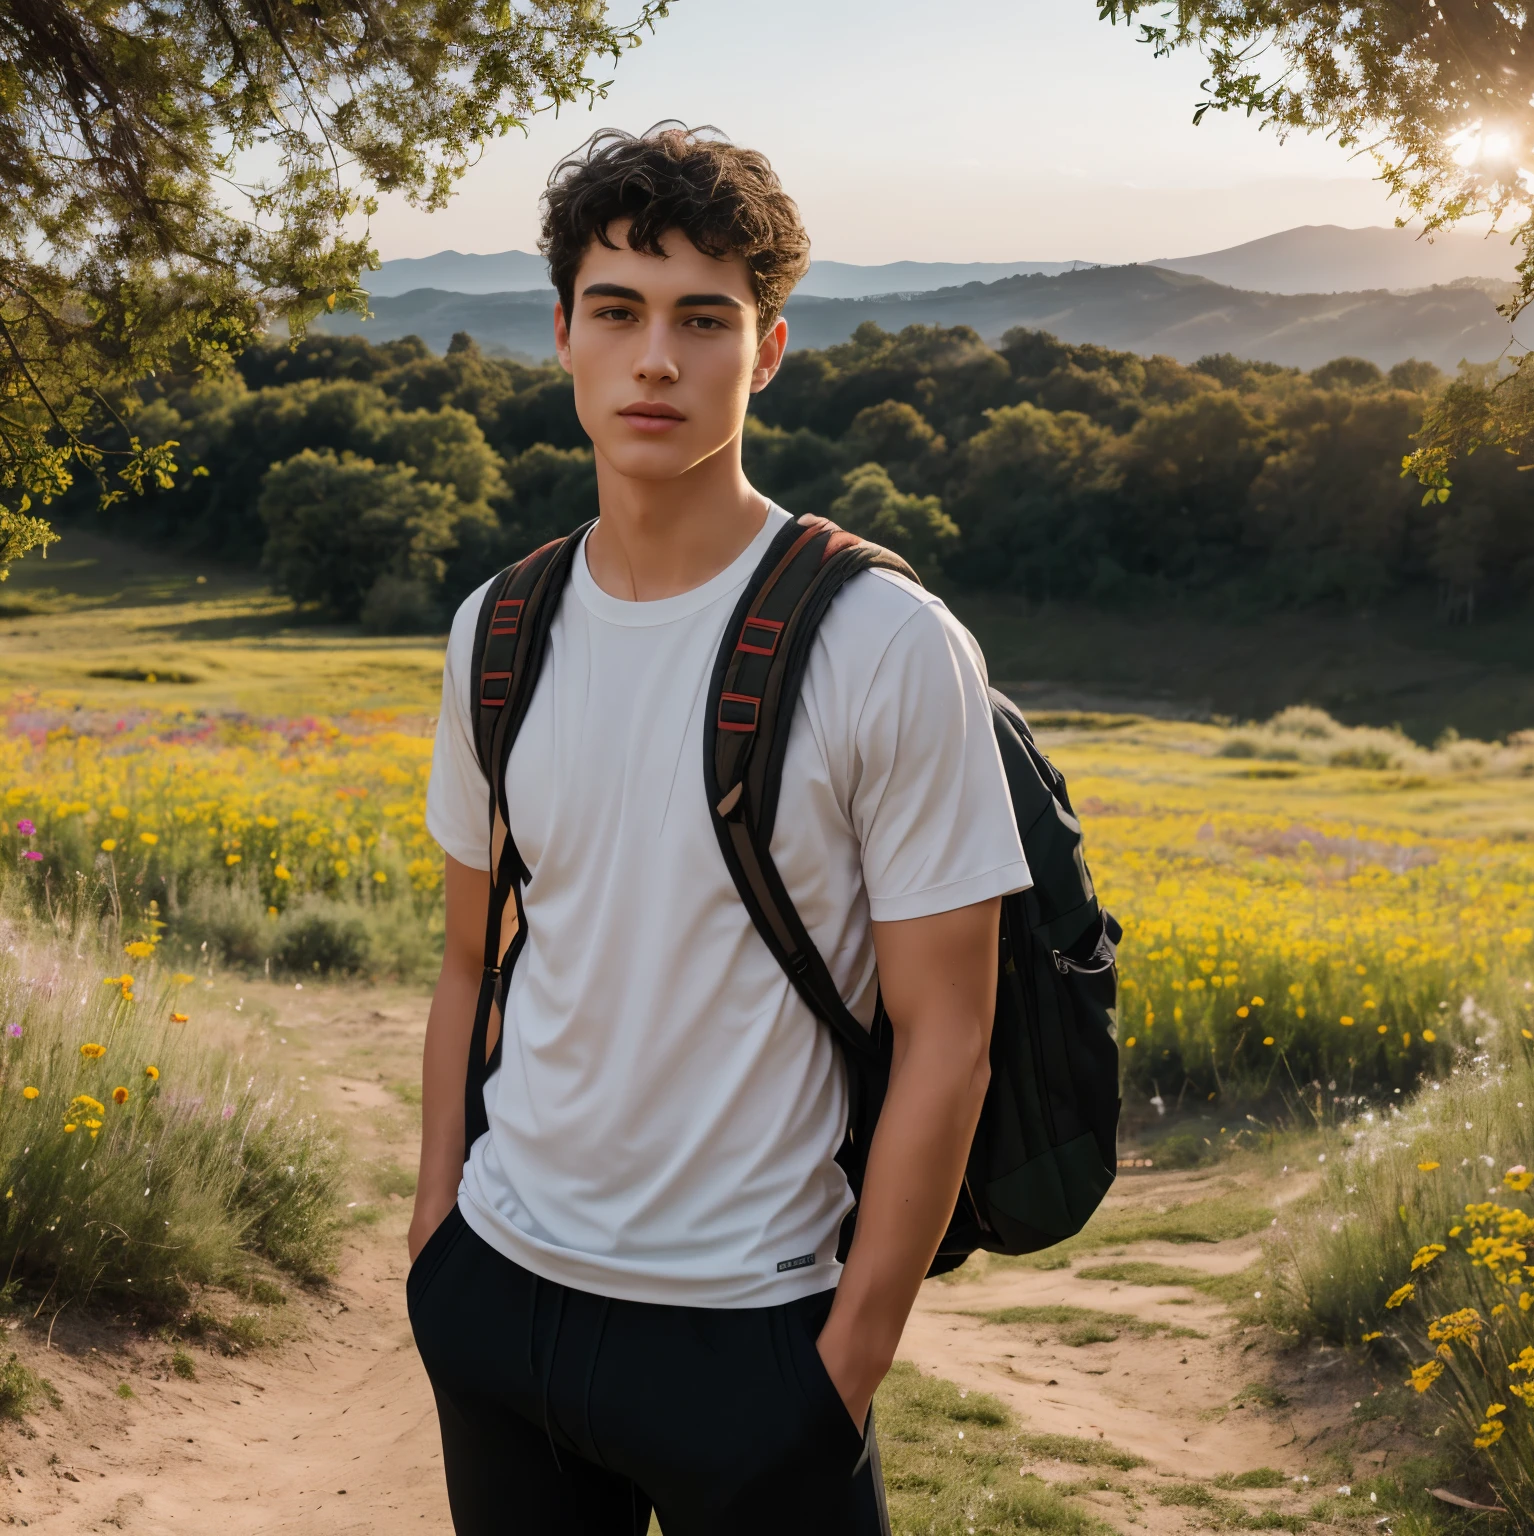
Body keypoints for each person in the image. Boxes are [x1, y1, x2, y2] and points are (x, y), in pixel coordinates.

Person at [407, 123, 1031, 1535]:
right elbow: (467, 964)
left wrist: (840, 1377)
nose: (656, 362)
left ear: (768, 351)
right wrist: (435, 1239)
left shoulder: (884, 642)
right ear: (562, 332)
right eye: (618, 312)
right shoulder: (496, 630)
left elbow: (953, 1034)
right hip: (500, 1299)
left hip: (754, 1334)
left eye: (705, 319)